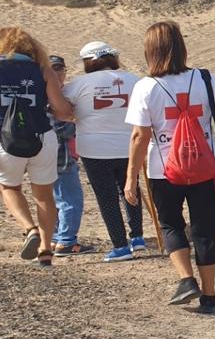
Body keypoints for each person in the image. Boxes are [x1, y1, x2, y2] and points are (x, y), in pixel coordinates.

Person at [125, 21, 215, 312]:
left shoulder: (146, 86)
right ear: (181, 46)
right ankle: (210, 295)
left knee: (171, 224)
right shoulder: (205, 79)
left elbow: (140, 136)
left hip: (163, 170)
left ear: (150, 50)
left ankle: (186, 279)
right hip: (205, 167)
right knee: (205, 230)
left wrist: (130, 178)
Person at [63, 41, 146, 261]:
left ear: (88, 62)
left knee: (107, 198)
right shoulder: (134, 80)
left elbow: (60, 105)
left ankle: (120, 246)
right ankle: (137, 237)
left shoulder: (79, 84)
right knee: (131, 189)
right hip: (128, 145)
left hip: (95, 150)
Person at [0, 29, 73, 266]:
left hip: (6, 140)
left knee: (10, 187)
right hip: (42, 137)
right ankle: (45, 248)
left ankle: (30, 228)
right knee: (44, 196)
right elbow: (62, 109)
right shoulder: (42, 70)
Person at [48, 55, 94, 257]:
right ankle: (66, 241)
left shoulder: (45, 94)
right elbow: (60, 130)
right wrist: (74, 120)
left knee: (56, 199)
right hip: (61, 156)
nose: (59, 74)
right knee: (70, 200)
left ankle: (57, 237)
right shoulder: (53, 97)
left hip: (46, 157)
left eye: (61, 69)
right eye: (54, 70)